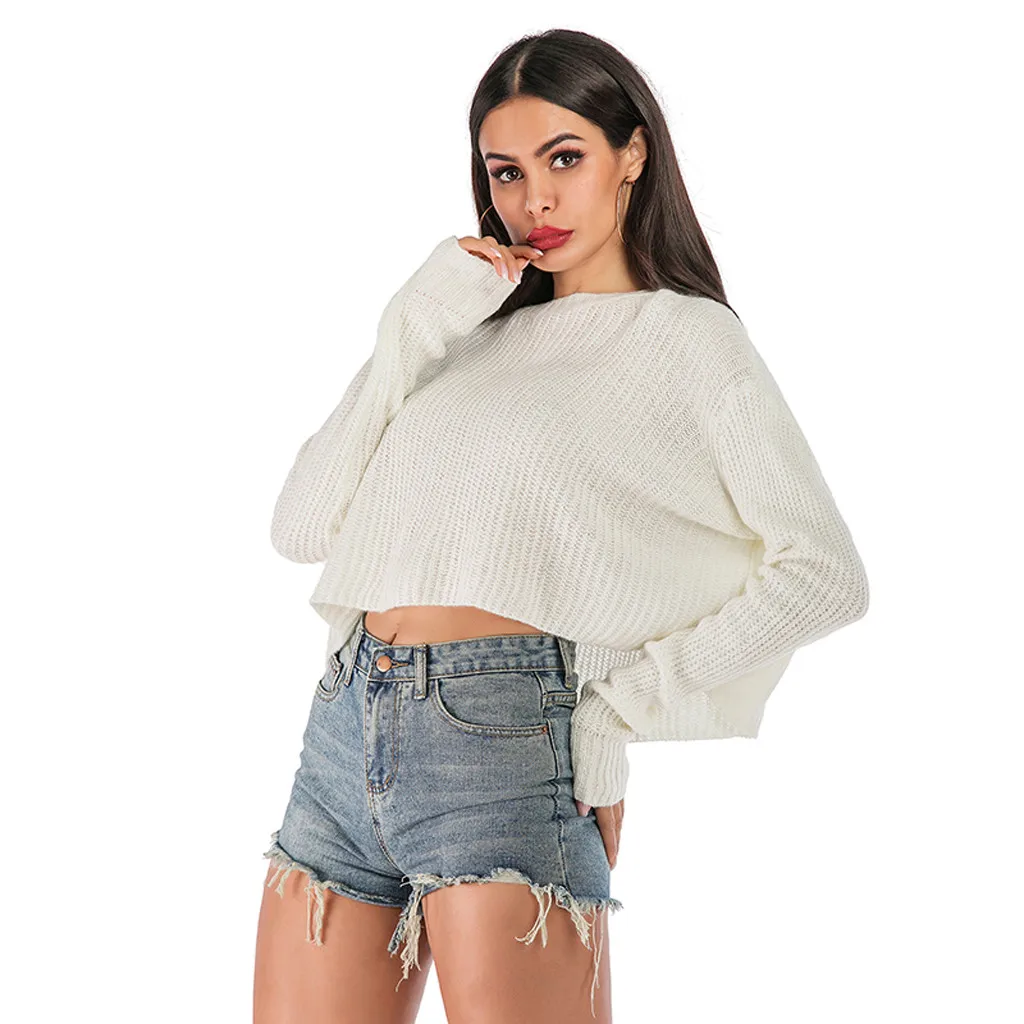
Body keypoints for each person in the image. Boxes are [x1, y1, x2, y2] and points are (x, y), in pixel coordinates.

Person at [253, 27, 869, 1024]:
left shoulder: (688, 339)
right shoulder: (460, 335)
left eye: (564, 158)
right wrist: (413, 323)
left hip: (504, 740)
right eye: (506, 172)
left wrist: (615, 712)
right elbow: (301, 525)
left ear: (633, 154)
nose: (533, 200)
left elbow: (824, 572)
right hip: (343, 727)